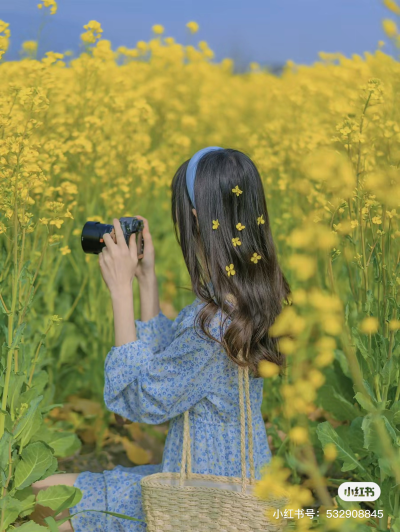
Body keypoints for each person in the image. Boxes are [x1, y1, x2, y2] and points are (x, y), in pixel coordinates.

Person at [31, 147, 291, 531]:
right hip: (219, 479)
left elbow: (141, 402)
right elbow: (179, 364)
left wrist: (120, 292)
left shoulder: (216, 325)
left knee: (37, 500)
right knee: (40, 493)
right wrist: (146, 281)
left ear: (196, 219)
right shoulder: (249, 298)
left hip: (198, 506)